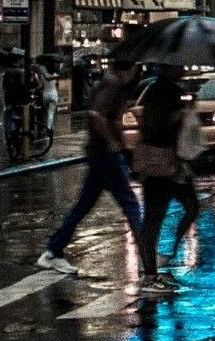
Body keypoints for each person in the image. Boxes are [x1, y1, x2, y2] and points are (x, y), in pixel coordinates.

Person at [39, 62, 143, 275]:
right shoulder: (113, 85)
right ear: (129, 68)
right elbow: (97, 115)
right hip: (106, 156)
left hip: (100, 154)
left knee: (84, 205)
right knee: (130, 204)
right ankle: (147, 256)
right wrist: (113, 142)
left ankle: (53, 250)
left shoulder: (106, 83)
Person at [132, 66, 201, 294]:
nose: (182, 69)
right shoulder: (160, 91)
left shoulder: (170, 90)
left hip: (173, 164)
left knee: (190, 207)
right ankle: (150, 275)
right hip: (161, 164)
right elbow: (158, 126)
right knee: (154, 218)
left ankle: (164, 256)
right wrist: (182, 114)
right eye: (178, 66)